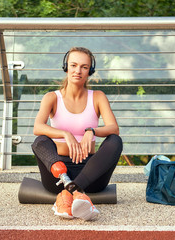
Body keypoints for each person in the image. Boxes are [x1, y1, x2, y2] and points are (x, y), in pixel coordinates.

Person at [31, 47, 123, 221]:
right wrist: (65, 134)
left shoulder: (98, 97)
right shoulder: (52, 97)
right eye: (73, 65)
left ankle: (70, 192)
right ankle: (75, 192)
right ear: (66, 67)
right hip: (57, 175)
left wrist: (92, 131)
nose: (78, 71)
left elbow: (113, 128)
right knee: (40, 141)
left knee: (115, 141)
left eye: (84, 67)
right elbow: (37, 127)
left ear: (90, 71)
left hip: (92, 175)